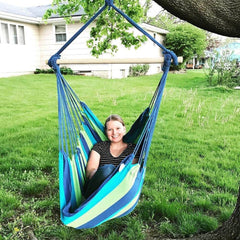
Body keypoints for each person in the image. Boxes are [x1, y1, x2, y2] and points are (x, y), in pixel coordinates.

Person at [84, 114, 138, 198]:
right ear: (106, 132)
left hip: (120, 191)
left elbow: (131, 173)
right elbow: (90, 173)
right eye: (110, 130)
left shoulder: (133, 149)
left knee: (109, 169)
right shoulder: (99, 147)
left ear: (124, 129)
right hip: (96, 190)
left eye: (118, 128)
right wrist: (107, 175)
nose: (114, 133)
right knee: (108, 169)